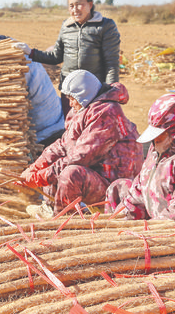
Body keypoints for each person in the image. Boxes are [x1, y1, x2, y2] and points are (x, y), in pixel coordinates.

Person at [19, 70, 142, 217]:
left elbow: (81, 157)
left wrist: (43, 176)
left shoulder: (107, 114)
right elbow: (63, 144)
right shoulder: (85, 109)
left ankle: (65, 220)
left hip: (115, 186)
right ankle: (51, 208)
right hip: (98, 175)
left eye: (73, 98)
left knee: (70, 173)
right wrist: (36, 167)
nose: (70, 103)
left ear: (84, 95)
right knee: (56, 162)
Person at [13, 0, 121, 117]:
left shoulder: (105, 26)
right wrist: (31, 52)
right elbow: (55, 57)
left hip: (93, 91)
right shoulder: (66, 26)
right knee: (70, 128)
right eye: (71, 6)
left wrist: (110, 91)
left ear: (90, 4)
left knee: (93, 129)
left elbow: (111, 63)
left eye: (79, 4)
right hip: (69, 92)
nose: (75, 10)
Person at [105, 94, 175, 223]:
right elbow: (139, 190)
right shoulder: (158, 150)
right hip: (156, 222)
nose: (154, 140)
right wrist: (118, 222)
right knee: (118, 187)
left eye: (160, 135)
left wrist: (149, 231)